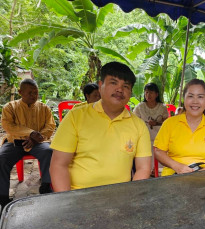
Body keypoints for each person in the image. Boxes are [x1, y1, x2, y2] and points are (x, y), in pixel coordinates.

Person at [50, 62, 152, 191]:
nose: (120, 89)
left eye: (125, 86)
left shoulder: (139, 125)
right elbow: (59, 165)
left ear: (130, 92)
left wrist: (129, 198)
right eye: (113, 83)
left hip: (120, 195)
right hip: (78, 194)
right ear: (100, 86)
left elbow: (143, 168)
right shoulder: (76, 116)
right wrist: (67, 203)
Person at [0, 79, 56, 210]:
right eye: (30, 93)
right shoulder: (10, 107)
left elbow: (50, 126)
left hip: (38, 143)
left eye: (35, 93)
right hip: (15, 142)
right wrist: (31, 133)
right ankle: (3, 197)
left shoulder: (44, 108)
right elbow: (8, 125)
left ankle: (46, 186)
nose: (33, 96)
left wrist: (37, 138)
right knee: (1, 159)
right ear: (20, 92)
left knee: (49, 152)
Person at [154, 79, 205, 176]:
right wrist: (176, 166)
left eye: (200, 97)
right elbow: (158, 152)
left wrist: (204, 172)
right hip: (172, 177)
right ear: (184, 98)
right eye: (190, 96)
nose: (195, 101)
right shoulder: (169, 123)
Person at [133, 83, 169, 174]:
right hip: (144, 137)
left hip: (158, 137)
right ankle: (145, 171)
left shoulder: (162, 107)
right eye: (146, 92)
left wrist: (156, 123)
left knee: (158, 151)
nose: (148, 95)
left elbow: (166, 124)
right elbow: (134, 122)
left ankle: (157, 171)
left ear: (156, 94)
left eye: (151, 92)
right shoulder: (140, 107)